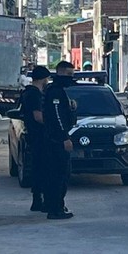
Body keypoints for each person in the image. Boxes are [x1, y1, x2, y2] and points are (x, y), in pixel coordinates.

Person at [43, 61, 77, 220]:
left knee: (58, 174)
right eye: (69, 74)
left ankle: (56, 206)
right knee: (59, 175)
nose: (71, 78)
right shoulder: (55, 92)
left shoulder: (56, 90)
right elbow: (57, 116)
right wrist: (64, 137)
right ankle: (56, 209)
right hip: (56, 140)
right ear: (61, 73)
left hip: (53, 138)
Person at [20, 66, 51, 212]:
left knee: (37, 167)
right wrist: (52, 123)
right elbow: (38, 116)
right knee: (43, 168)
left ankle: (37, 199)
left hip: (33, 135)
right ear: (43, 79)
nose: (47, 81)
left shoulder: (27, 92)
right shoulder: (34, 94)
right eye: (47, 79)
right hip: (40, 136)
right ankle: (41, 200)